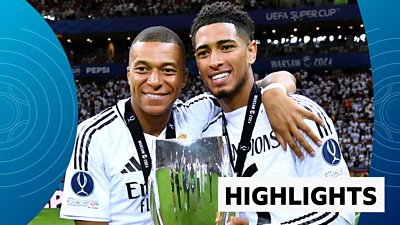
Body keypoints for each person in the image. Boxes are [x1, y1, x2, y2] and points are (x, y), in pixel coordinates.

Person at [60, 26, 321, 225]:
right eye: (142, 69)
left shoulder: (197, 114)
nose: (154, 80)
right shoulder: (94, 136)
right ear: (128, 74)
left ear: (184, 78)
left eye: (168, 70)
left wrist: (275, 91)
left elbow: (255, 84)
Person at [192, 2, 355, 225]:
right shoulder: (203, 131)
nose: (215, 61)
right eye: (204, 52)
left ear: (251, 51)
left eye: (227, 47)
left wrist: (274, 90)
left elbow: (340, 213)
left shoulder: (299, 112)